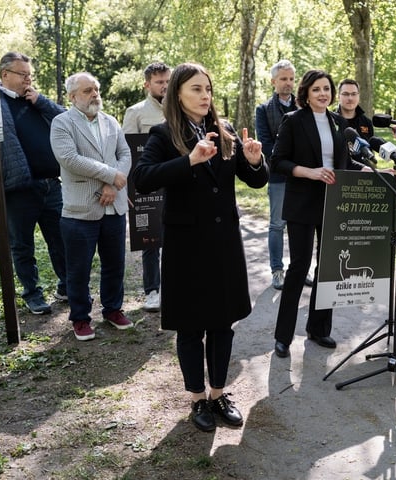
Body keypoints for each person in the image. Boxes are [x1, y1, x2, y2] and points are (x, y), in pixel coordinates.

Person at [132, 63, 268, 432]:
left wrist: (255, 161)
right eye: (196, 89)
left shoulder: (224, 133)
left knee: (222, 324)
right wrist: (188, 161)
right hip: (187, 247)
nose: (205, 95)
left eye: (207, 88)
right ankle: (196, 399)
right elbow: (142, 179)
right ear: (177, 93)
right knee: (191, 328)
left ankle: (218, 394)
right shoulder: (163, 135)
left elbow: (255, 180)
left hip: (224, 246)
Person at [271, 69, 367, 359]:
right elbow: (278, 161)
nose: (323, 94)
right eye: (316, 90)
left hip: (332, 203)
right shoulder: (293, 121)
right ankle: (283, 336)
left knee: (328, 269)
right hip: (302, 203)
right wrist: (310, 172)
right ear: (306, 93)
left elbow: (344, 161)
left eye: (326, 89)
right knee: (299, 267)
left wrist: (376, 172)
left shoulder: (338, 122)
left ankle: (319, 328)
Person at [0, 52, 67, 315]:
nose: (28, 79)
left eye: (30, 75)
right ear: (5, 75)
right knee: (22, 245)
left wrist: (41, 101)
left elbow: (69, 120)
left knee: (60, 239)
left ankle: (66, 285)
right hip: (19, 188)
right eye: (23, 74)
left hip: (51, 185)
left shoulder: (36, 100)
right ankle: (32, 293)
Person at [50, 72, 133, 341]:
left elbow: (125, 154)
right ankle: (81, 318)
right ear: (72, 97)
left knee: (114, 264)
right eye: (87, 91)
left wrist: (113, 185)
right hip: (80, 210)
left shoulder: (110, 122)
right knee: (78, 269)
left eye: (96, 89)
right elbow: (69, 159)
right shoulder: (62, 123)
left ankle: (112, 309)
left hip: (114, 206)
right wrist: (110, 176)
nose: (95, 94)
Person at [122, 61, 171, 312]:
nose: (164, 86)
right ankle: (152, 291)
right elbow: (126, 152)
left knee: (178, 237)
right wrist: (129, 188)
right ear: (147, 84)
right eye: (159, 82)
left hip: (175, 181)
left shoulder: (180, 108)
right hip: (148, 186)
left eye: (167, 81)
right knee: (150, 240)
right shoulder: (135, 112)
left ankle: (176, 288)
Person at [255, 60, 300, 290]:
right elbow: (266, 144)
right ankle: (277, 271)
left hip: (303, 177)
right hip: (279, 176)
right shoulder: (263, 110)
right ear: (273, 82)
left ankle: (298, 270)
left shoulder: (303, 107)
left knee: (301, 225)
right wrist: (291, 162)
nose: (288, 83)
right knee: (277, 224)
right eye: (283, 79)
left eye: (291, 78)